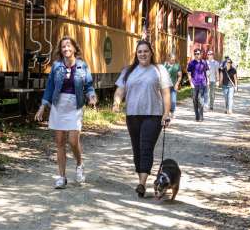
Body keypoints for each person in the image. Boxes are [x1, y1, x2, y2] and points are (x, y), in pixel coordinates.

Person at [35, 36, 97, 189]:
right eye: (63, 47)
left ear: (75, 48)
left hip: (75, 106)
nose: (66, 49)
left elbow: (88, 86)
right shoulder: (56, 66)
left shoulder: (82, 66)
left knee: (73, 141)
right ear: (61, 50)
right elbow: (49, 87)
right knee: (60, 142)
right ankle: (62, 177)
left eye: (69, 46)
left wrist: (92, 96)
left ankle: (79, 164)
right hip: (58, 106)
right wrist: (43, 107)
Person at [112, 40, 172, 198]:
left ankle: (142, 184)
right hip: (132, 115)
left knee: (146, 147)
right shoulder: (128, 71)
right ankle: (141, 179)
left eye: (146, 51)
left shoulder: (159, 70)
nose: (143, 54)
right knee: (137, 148)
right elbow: (120, 90)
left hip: (153, 115)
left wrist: (167, 112)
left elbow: (166, 93)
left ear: (151, 53)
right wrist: (116, 103)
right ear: (136, 54)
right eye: (140, 51)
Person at [187, 49, 209, 121]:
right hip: (194, 84)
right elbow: (189, 74)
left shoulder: (204, 62)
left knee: (200, 99)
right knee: (195, 100)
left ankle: (201, 116)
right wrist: (191, 83)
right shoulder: (191, 63)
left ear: (201, 54)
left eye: (198, 53)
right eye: (195, 53)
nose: (197, 55)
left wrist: (207, 81)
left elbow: (207, 72)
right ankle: (197, 116)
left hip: (202, 83)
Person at [163, 53, 182, 118]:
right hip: (165, 86)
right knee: (166, 100)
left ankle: (172, 111)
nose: (173, 61)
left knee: (173, 100)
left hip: (173, 85)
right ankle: (166, 113)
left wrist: (177, 84)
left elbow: (179, 76)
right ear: (169, 59)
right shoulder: (165, 65)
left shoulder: (177, 66)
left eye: (174, 59)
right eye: (172, 59)